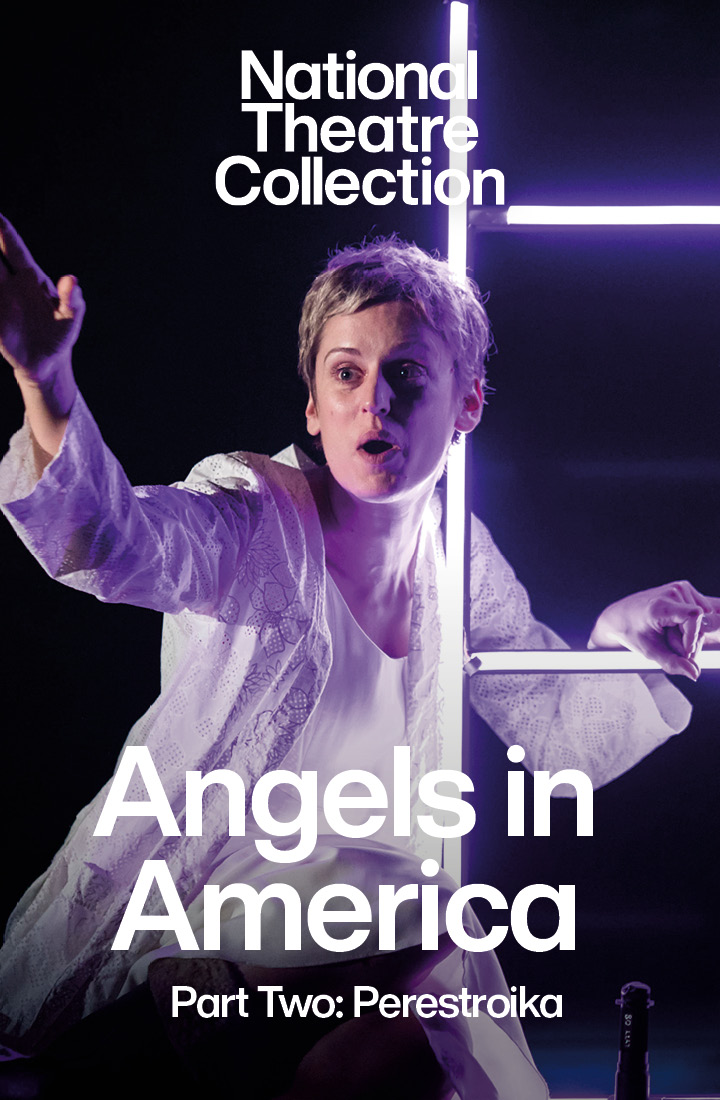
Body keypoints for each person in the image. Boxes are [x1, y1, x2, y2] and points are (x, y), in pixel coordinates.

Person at [0, 214, 717, 1100]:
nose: (374, 401)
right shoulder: (250, 509)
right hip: (215, 907)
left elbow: (555, 736)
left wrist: (620, 644)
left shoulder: (461, 559)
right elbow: (116, 541)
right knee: (441, 937)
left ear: (468, 405)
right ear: (314, 404)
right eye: (347, 374)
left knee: (420, 1026)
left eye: (407, 374)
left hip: (371, 945)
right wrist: (47, 382)